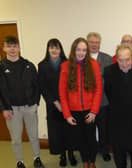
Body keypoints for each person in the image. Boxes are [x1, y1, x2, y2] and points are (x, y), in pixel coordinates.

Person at [0, 36, 44, 168]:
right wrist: (3, 108)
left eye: (15, 46)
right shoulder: (1, 67)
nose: (12, 49)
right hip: (11, 110)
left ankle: (37, 158)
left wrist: (36, 103)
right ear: (4, 48)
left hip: (29, 107)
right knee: (16, 139)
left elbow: (37, 86)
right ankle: (20, 161)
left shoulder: (29, 65)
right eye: (9, 46)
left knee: (33, 136)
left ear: (19, 48)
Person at [59, 37, 102, 168]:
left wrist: (94, 111)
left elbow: (98, 90)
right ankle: (85, 161)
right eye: (78, 49)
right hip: (74, 111)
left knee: (90, 138)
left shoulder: (94, 64)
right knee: (80, 139)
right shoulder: (65, 66)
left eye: (84, 50)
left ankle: (92, 161)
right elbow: (62, 93)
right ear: (74, 50)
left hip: (90, 110)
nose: (81, 53)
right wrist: (67, 115)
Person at [38, 39, 77, 167]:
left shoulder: (68, 63)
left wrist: (65, 103)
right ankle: (62, 155)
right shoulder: (42, 65)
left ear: (61, 50)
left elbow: (73, 83)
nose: (54, 50)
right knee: (58, 131)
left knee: (70, 130)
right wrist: (55, 102)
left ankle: (71, 154)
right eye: (51, 47)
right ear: (48, 49)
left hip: (69, 103)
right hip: (52, 105)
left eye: (57, 48)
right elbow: (42, 86)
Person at [87, 32, 112, 161]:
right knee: (89, 130)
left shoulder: (107, 59)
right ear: (87, 43)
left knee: (104, 129)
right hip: (87, 103)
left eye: (97, 42)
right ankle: (91, 151)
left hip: (103, 101)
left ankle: (104, 150)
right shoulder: (82, 58)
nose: (94, 45)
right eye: (92, 42)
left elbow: (111, 81)